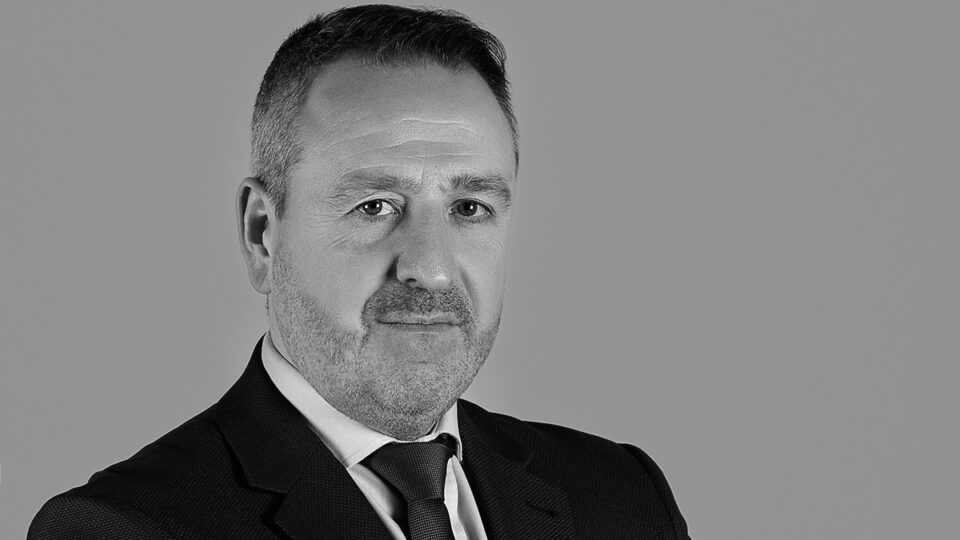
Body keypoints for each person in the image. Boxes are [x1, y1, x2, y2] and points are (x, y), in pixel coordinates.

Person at [29, 5, 690, 539]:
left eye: (470, 207)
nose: (431, 270)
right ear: (263, 234)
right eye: (375, 205)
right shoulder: (120, 529)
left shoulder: (618, 494)